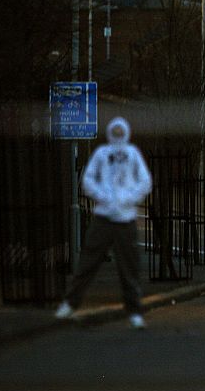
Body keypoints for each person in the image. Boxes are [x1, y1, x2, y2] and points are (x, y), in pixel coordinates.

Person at [55, 117, 153, 329]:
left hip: (125, 218)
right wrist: (104, 196)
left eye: (120, 132)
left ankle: (134, 311)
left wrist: (128, 198)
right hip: (104, 217)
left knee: (129, 266)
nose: (117, 135)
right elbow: (88, 180)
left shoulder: (132, 154)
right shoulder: (101, 153)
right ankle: (70, 303)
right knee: (88, 261)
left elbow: (145, 181)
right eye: (115, 132)